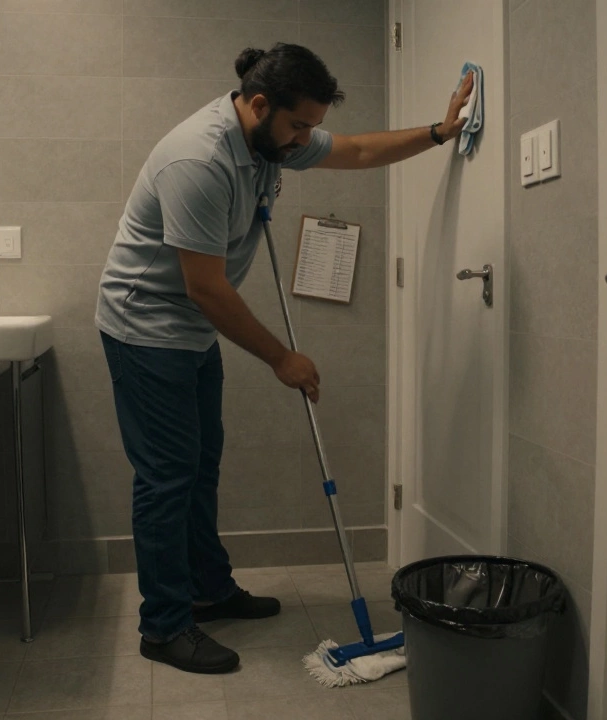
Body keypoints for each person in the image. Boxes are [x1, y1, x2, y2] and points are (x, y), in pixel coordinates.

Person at [96, 42, 474, 675]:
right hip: (145, 326)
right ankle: (162, 626)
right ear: (259, 104)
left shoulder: (274, 141)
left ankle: (208, 589)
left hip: (190, 330)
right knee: (166, 476)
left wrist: (439, 132)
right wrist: (282, 359)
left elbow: (355, 151)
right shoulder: (199, 158)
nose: (306, 140)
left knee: (199, 464)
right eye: (299, 126)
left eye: (312, 127)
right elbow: (206, 288)